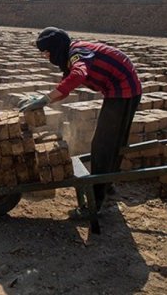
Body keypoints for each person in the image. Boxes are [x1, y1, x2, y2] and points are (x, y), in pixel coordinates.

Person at [19, 26, 142, 216]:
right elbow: (64, 88)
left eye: (46, 53)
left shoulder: (76, 53)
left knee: (103, 145)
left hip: (124, 90)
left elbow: (78, 75)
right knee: (114, 142)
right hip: (119, 89)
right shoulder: (70, 54)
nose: (46, 57)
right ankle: (108, 185)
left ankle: (96, 203)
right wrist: (42, 101)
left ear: (56, 47)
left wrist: (45, 99)